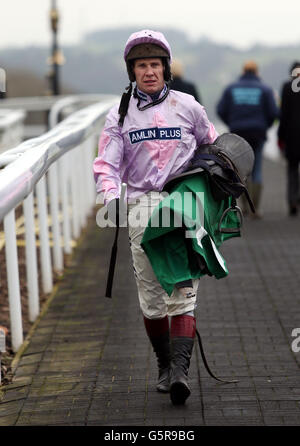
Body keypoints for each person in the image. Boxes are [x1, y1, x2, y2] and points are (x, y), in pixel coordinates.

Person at [93, 29, 219, 405]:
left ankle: (181, 372)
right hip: (142, 208)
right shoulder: (118, 115)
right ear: (132, 71)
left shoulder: (189, 106)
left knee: (183, 291)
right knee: (151, 298)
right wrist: (111, 197)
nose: (149, 71)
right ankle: (164, 364)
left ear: (166, 68)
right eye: (141, 65)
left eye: (155, 64)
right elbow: (106, 165)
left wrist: (209, 183)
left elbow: (211, 146)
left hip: (183, 206)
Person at [216, 61, 279, 217]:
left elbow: (220, 110)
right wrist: (265, 125)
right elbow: (274, 113)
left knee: (240, 170)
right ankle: (255, 208)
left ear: (243, 71)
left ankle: (244, 207)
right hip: (258, 133)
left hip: (237, 134)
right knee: (256, 169)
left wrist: (231, 122)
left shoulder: (231, 89)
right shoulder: (265, 89)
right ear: (257, 72)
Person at [278, 61, 300, 216]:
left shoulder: (287, 87)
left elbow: (283, 114)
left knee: (292, 170)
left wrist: (280, 137)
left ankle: (292, 201)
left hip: (292, 137)